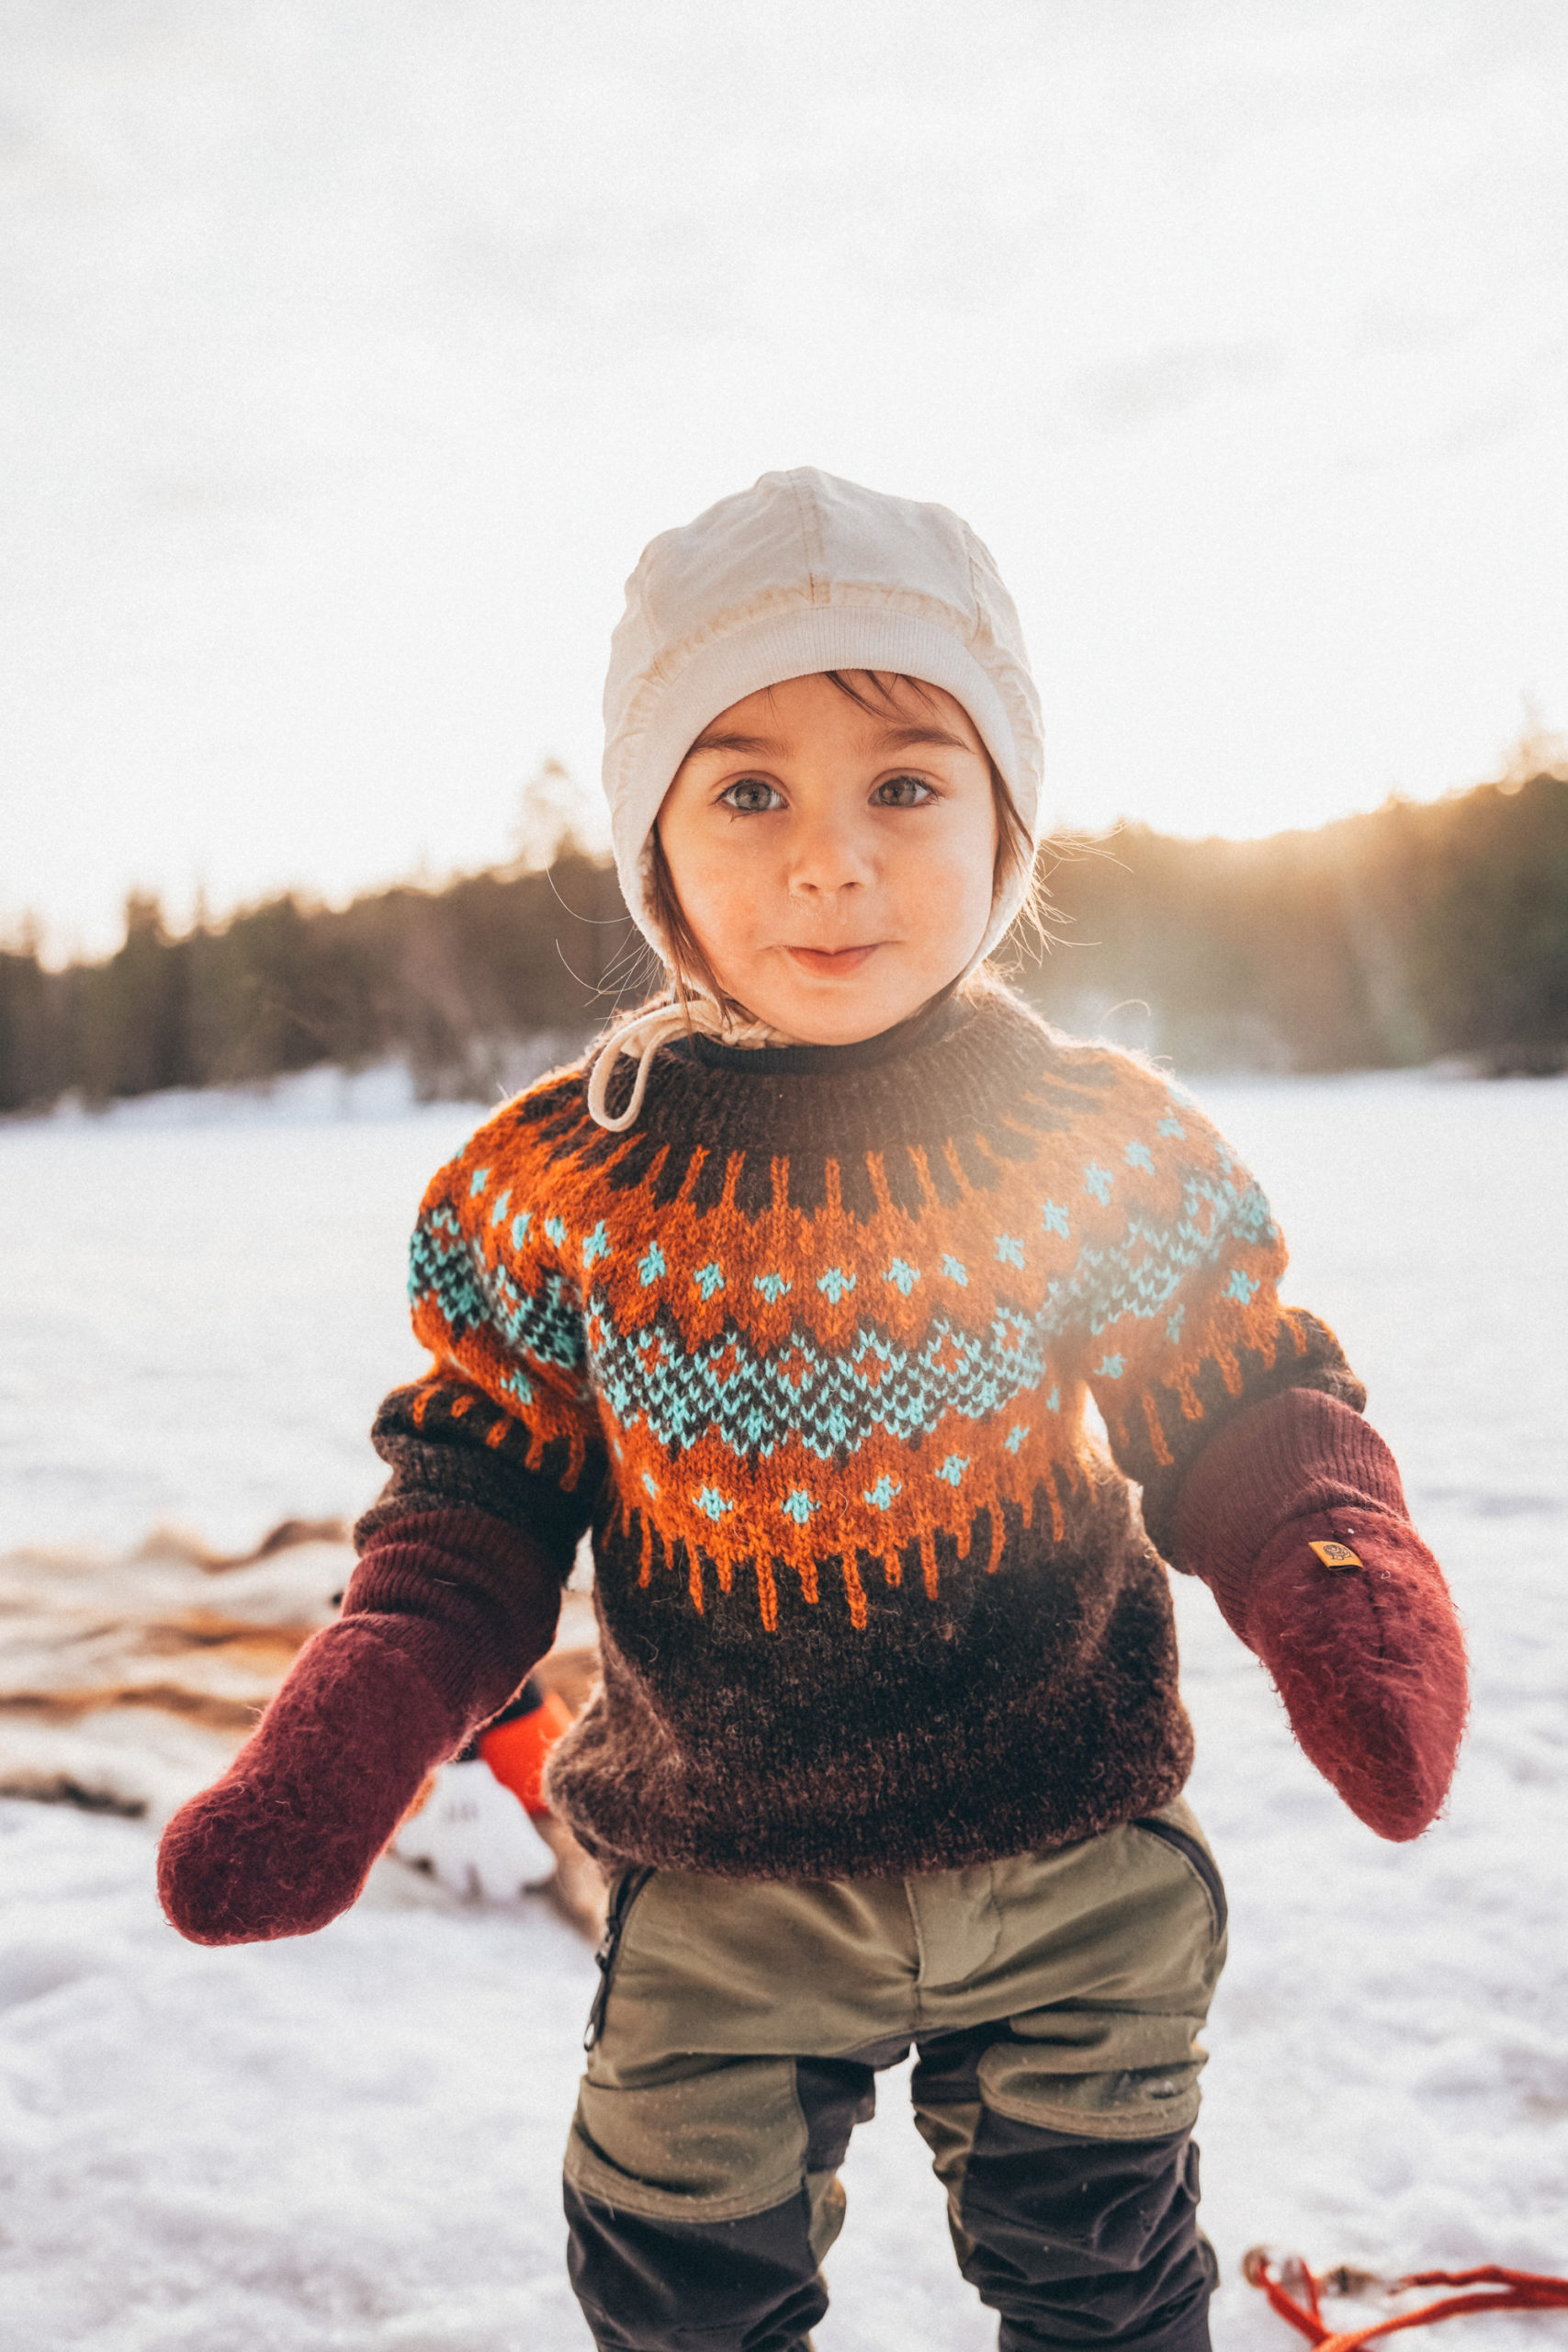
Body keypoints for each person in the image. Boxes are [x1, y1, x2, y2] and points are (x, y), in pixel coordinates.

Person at [158, 469, 1469, 2352]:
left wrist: (1333, 1564)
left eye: (905, 786)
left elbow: (1231, 1391)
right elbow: (472, 1503)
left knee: (1104, 2279)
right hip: (721, 1864)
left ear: (1005, 820)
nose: (830, 861)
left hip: (1063, 1835)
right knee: (676, 2281)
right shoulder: (564, 1186)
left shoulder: (1085, 1145)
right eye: (750, 791)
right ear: (656, 843)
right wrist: (366, 1701)